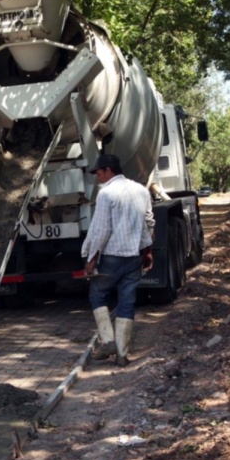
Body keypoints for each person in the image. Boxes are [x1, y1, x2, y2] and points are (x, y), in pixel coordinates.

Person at [80, 154, 154, 366]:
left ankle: (108, 342)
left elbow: (102, 229)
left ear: (108, 170)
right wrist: (148, 251)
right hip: (134, 257)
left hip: (112, 257)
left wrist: (91, 259)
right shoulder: (141, 190)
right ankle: (122, 354)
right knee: (127, 301)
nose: (98, 178)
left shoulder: (106, 194)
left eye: (99, 173)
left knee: (97, 295)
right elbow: (149, 222)